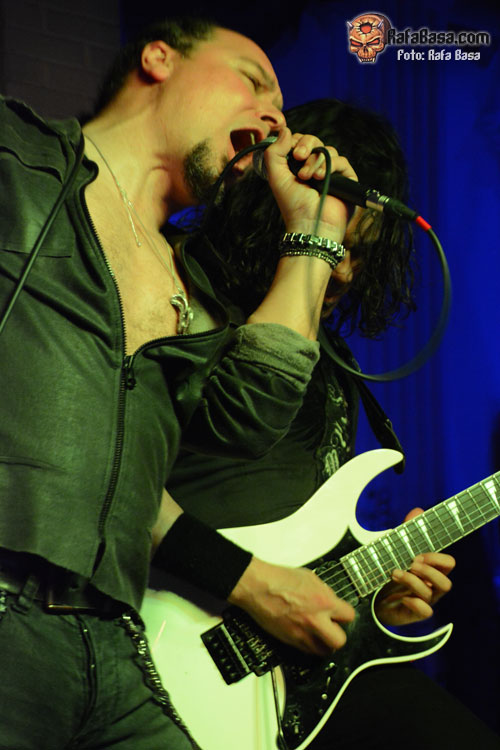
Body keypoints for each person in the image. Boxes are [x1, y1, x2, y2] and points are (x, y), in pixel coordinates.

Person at [0, 20, 370, 749]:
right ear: (159, 58)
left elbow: (245, 422)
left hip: (112, 642)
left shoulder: (192, 286)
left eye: (283, 109)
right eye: (254, 82)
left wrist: (315, 232)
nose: (275, 120)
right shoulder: (17, 158)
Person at [153, 99, 500, 748]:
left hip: (298, 674)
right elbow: (114, 483)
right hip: (173, 641)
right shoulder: (178, 295)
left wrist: (371, 596)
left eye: (360, 253)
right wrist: (253, 588)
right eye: (334, 240)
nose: (341, 268)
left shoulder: (337, 362)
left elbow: (303, 542)